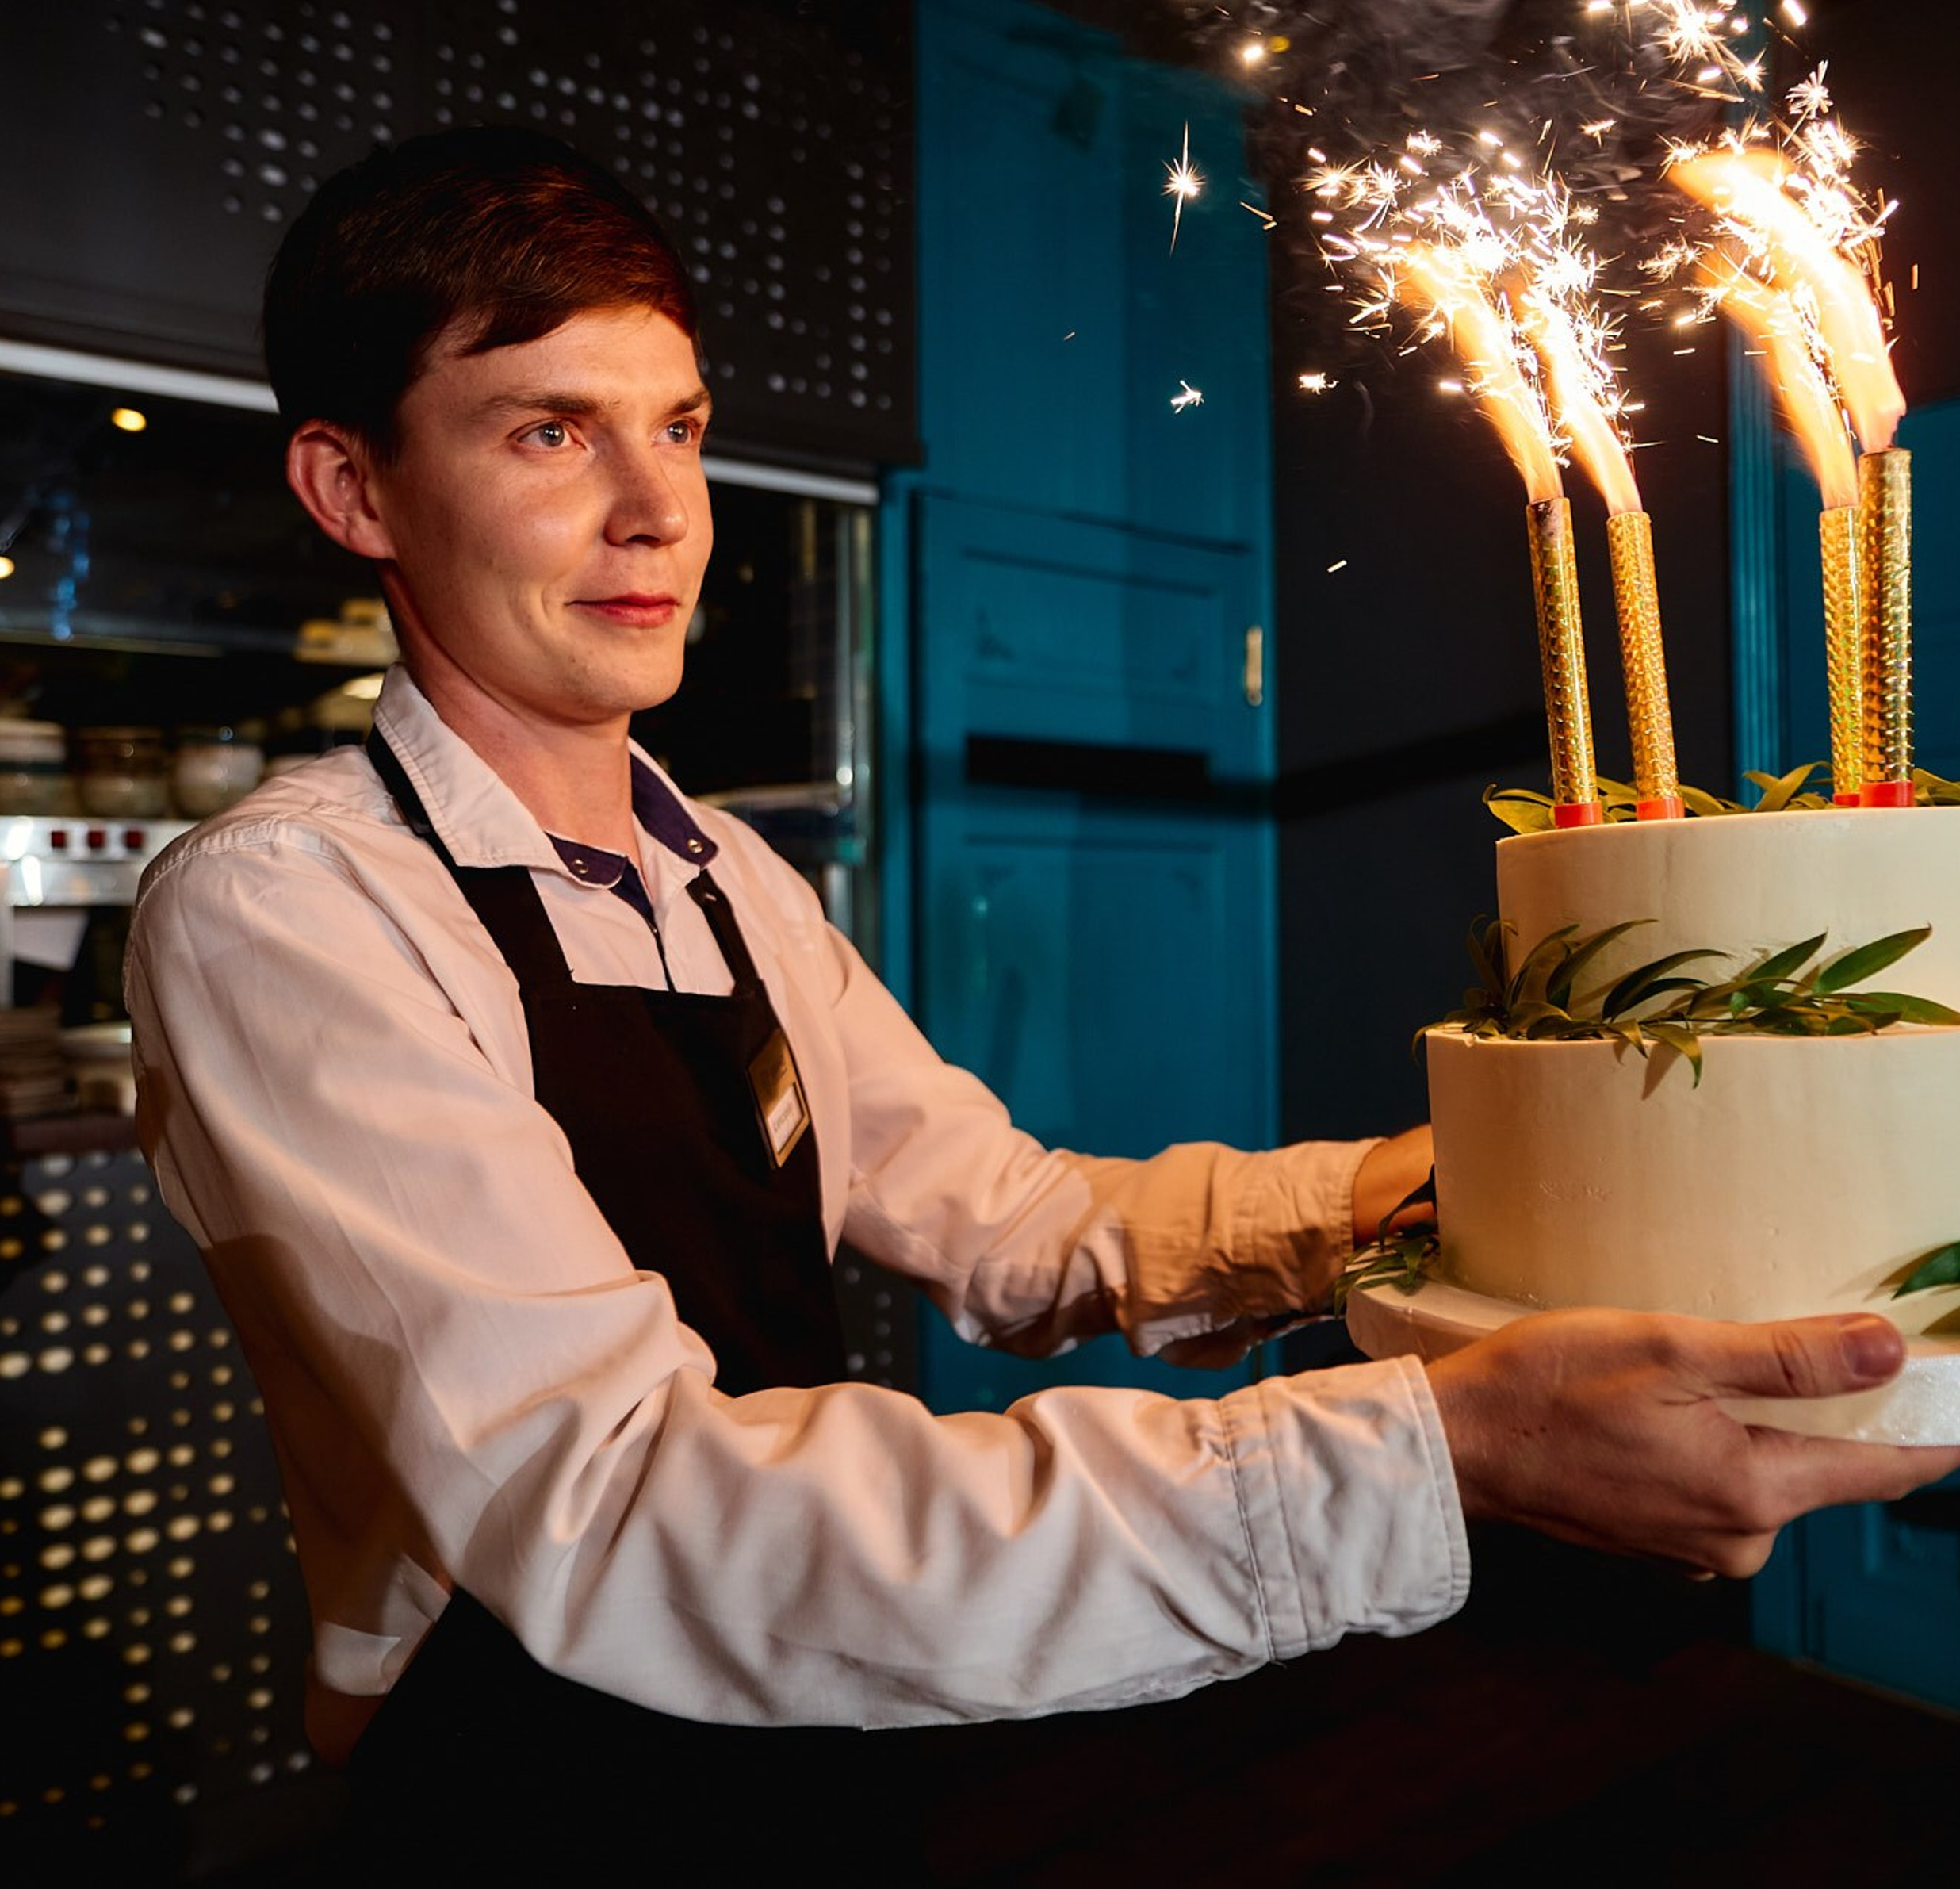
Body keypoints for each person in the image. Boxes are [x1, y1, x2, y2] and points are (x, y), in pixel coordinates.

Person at [125, 128, 1959, 1870]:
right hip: (531, 1771)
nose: (655, 508)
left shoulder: (725, 875)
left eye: (677, 425)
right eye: (548, 431)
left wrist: (1410, 1201)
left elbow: (1011, 1224)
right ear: (352, 486)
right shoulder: (289, 908)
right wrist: (1438, 1450)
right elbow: (620, 1512)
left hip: (842, 1712)